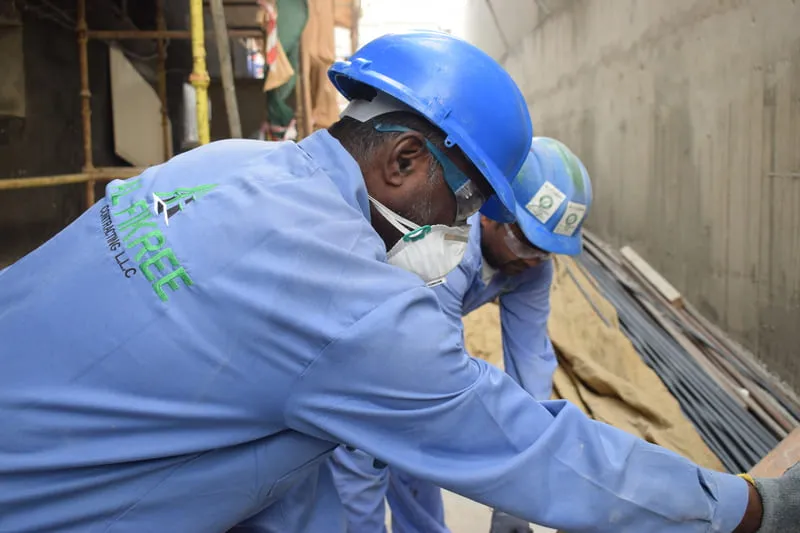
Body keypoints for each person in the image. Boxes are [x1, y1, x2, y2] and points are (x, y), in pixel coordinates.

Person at [0, 30, 795, 533]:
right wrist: (745, 506)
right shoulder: (354, 302)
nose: (464, 229)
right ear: (405, 158)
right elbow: (530, 446)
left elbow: (280, 446)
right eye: (468, 202)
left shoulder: (220, 164)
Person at [329, 136, 593, 533]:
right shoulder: (445, 243)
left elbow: (530, 366)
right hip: (355, 344)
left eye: (546, 250)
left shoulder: (532, 270)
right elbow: (442, 376)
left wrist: (522, 490)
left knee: (422, 460)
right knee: (363, 463)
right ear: (491, 211)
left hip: (413, 344)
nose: (532, 259)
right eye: (526, 241)